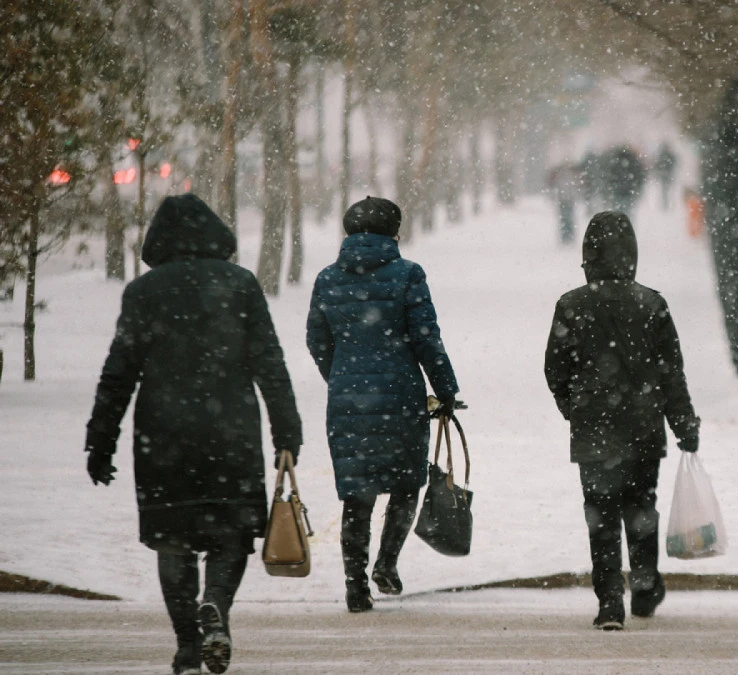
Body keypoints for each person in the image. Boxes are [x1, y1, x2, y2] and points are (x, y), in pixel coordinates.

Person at [85, 194, 302, 675]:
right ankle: (217, 607)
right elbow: (270, 363)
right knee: (231, 535)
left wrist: (100, 441)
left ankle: (186, 644)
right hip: (231, 429)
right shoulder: (240, 285)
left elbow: (118, 372)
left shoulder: (143, 292)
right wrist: (287, 433)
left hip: (163, 434)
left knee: (172, 537)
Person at [544, 210, 701, 631]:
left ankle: (610, 601)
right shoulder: (652, 304)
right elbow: (672, 373)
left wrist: (575, 408)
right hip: (644, 428)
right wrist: (684, 424)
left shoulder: (571, 305)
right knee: (641, 509)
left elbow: (554, 371)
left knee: (600, 516)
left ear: (588, 254)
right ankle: (645, 588)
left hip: (594, 430)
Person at [306, 196, 460, 613]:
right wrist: (445, 389)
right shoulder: (408, 275)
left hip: (348, 402)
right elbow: (427, 337)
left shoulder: (327, 278)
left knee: (357, 495)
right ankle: (386, 564)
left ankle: (355, 586)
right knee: (406, 484)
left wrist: (340, 376)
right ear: (394, 232)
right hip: (400, 398)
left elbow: (316, 340)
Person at [652, 142, 678, 210]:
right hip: (668, 175)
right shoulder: (669, 155)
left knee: (665, 191)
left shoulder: (661, 156)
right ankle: (668, 203)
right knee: (668, 190)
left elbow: (657, 165)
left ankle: (665, 203)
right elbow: (674, 163)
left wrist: (659, 171)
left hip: (664, 175)